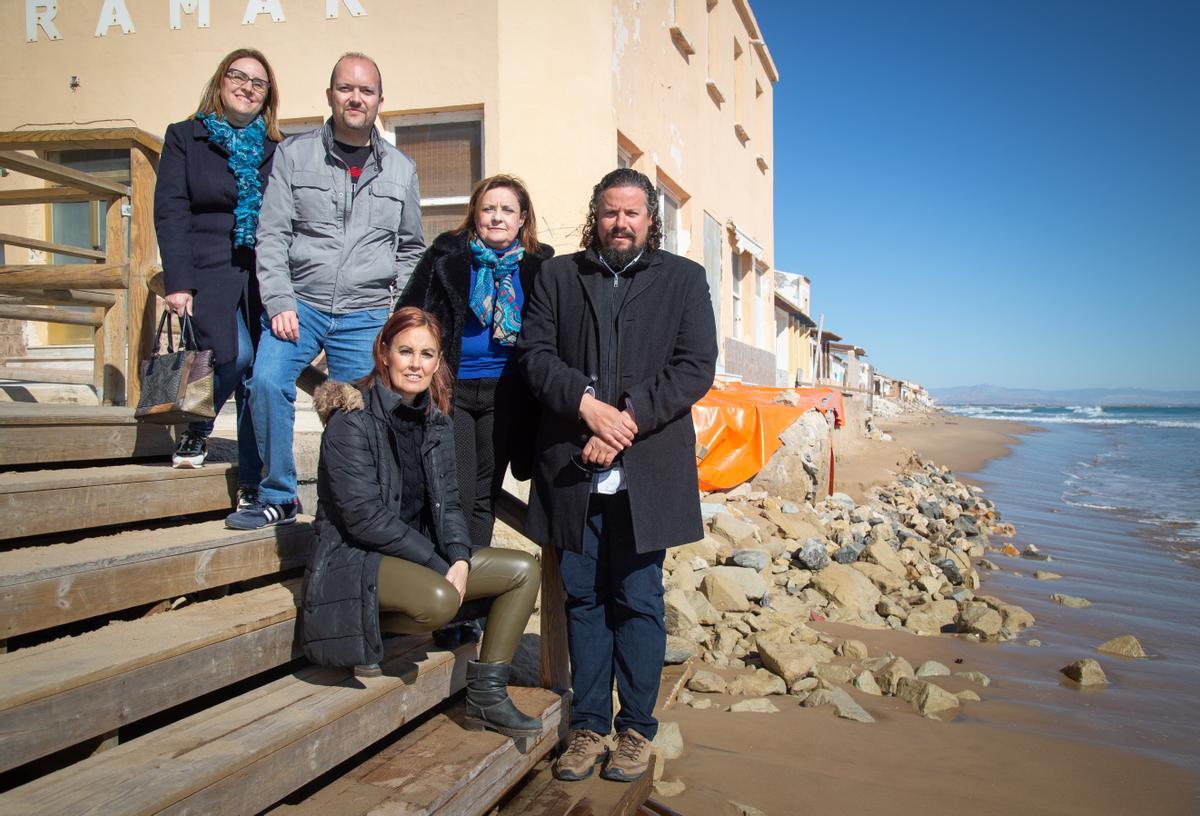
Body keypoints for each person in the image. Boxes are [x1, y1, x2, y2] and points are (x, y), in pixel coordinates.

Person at [517, 168, 717, 782]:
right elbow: (534, 356)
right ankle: (586, 729)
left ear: (651, 220)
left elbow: (695, 367)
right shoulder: (557, 275)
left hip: (647, 472)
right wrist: (587, 408)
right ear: (595, 215)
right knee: (581, 599)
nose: (620, 223)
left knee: (637, 600)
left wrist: (625, 421)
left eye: (632, 213)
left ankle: (634, 730)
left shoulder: (684, 280)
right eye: (610, 212)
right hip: (574, 469)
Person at [302, 307, 543, 739]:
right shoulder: (351, 418)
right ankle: (369, 623)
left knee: (523, 570)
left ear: (438, 362)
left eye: (427, 354)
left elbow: (450, 502)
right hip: (355, 559)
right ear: (384, 353)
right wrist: (438, 563)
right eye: (406, 351)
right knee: (441, 601)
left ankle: (488, 696)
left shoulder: (435, 418)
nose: (416, 364)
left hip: (417, 553)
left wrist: (460, 557)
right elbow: (363, 518)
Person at [227, 52, 425, 530]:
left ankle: (346, 505)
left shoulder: (402, 169)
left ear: (380, 101)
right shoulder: (295, 155)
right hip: (301, 305)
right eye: (346, 88)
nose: (355, 98)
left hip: (365, 314)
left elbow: (412, 247)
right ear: (330, 94)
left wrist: (391, 310)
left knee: (359, 411)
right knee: (268, 380)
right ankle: (280, 494)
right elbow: (271, 234)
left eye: (366, 90)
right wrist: (278, 300)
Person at [396, 174, 554, 549]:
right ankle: (449, 572)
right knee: (460, 490)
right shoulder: (446, 256)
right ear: (475, 214)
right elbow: (408, 312)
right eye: (488, 209)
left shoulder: (540, 266)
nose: (497, 217)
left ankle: (475, 589)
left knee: (486, 494)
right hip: (454, 388)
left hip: (507, 393)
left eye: (507, 210)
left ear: (522, 218)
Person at [153, 48, 282, 505]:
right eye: (238, 76)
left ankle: (252, 481)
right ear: (220, 81)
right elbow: (171, 212)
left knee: (256, 378)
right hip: (207, 268)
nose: (247, 87)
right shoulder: (186, 137)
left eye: (258, 83)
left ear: (267, 98)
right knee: (236, 356)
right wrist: (178, 283)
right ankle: (199, 423)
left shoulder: (276, 149)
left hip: (262, 273)